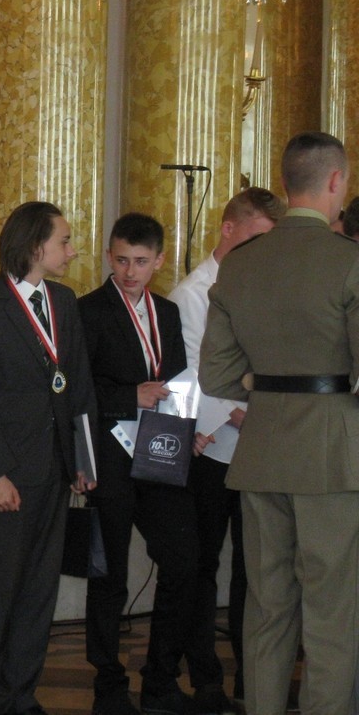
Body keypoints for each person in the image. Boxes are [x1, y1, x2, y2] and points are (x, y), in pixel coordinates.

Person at [200, 131, 359, 715]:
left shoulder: (241, 265)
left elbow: (216, 376)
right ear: (336, 181)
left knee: (267, 609)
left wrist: (264, 384)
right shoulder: (350, 262)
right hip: (332, 456)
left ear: (287, 182)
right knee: (331, 612)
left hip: (262, 450)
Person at [0, 202, 97, 715]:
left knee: (40, 591)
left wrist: (83, 460)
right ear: (36, 246)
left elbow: (78, 385)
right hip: (10, 476)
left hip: (57, 468)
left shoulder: (64, 301)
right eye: (64, 241)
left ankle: (22, 694)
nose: (72, 250)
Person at [169, 187, 285, 710]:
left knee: (256, 568)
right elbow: (198, 373)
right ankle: (206, 676)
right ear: (228, 228)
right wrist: (249, 412)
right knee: (203, 564)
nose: (261, 251)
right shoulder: (193, 293)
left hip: (260, 448)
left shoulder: (268, 285)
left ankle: (253, 677)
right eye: (254, 238)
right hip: (212, 448)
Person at [78, 213, 196, 715]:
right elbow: (77, 392)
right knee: (110, 576)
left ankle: (160, 679)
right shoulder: (87, 310)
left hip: (159, 454)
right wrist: (131, 396)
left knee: (184, 561)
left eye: (141, 262)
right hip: (109, 458)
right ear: (109, 256)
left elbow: (176, 379)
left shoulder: (167, 312)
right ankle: (108, 683)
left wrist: (188, 427)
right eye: (122, 260)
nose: (130, 272)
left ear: (159, 261)